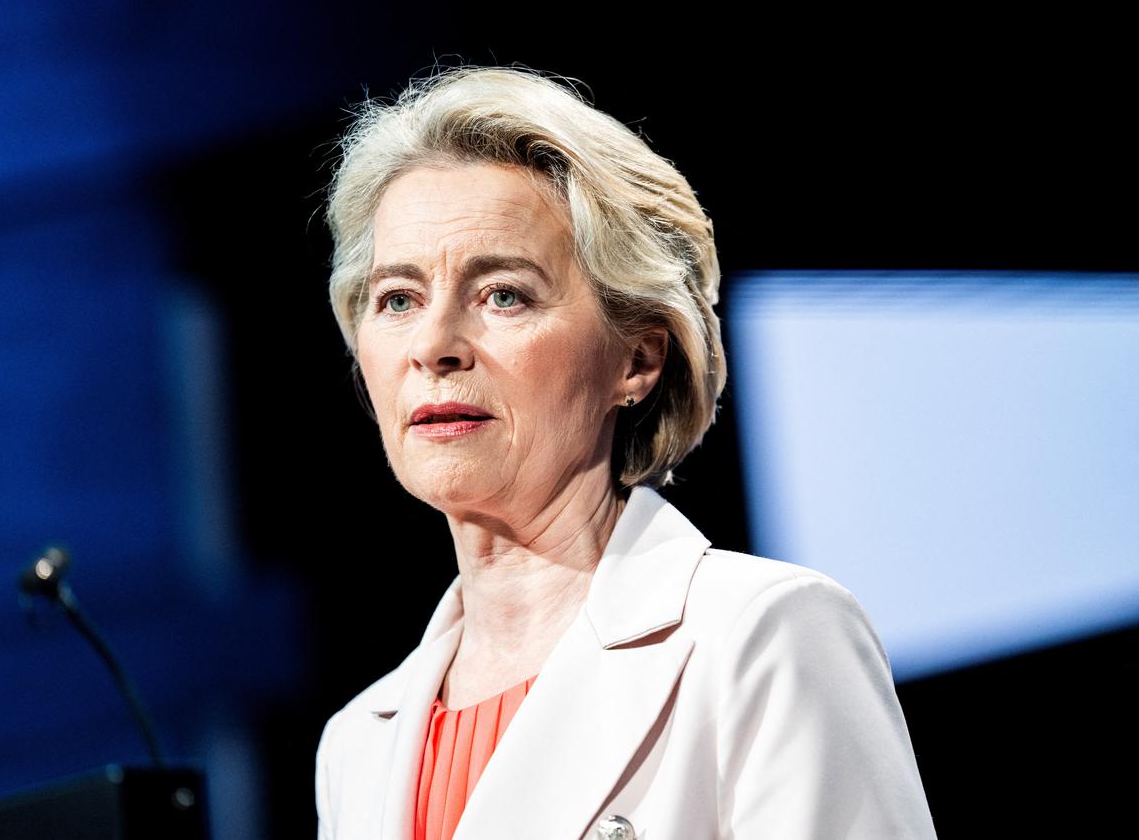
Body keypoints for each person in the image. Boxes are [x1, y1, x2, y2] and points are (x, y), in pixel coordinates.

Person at [314, 64, 937, 840]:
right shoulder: (358, 743)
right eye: (397, 299)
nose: (434, 345)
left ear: (636, 360)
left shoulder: (760, 635)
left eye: (503, 293)